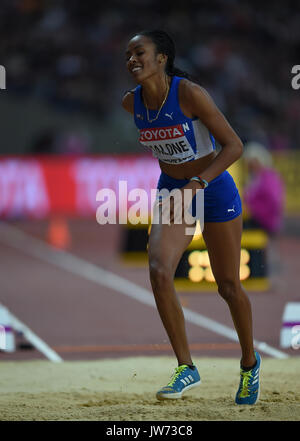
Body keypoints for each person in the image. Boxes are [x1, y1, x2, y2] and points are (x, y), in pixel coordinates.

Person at [122, 30, 261, 405]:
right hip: (173, 190)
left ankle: (250, 364)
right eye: (128, 55)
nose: (132, 59)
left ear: (162, 57)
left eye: (140, 52)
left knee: (228, 286)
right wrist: (180, 185)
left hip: (212, 189)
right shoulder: (130, 104)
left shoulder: (190, 94)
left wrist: (198, 182)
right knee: (159, 271)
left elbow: (234, 146)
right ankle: (186, 367)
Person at [243, 142, 285, 236]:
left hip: (263, 222)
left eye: (250, 162)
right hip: (256, 220)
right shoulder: (256, 177)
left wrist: (252, 210)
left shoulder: (268, 177)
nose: (248, 166)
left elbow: (273, 201)